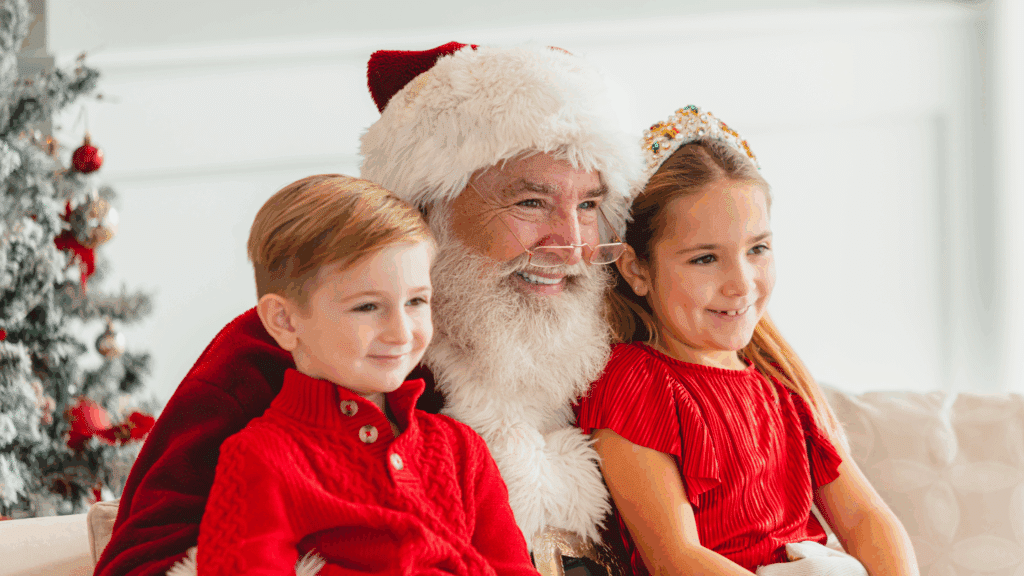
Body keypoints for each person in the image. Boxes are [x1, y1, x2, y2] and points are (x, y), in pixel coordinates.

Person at [95, 42, 642, 576]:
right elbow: (142, 561)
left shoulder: (613, 350)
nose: (572, 245)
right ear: (430, 207)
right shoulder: (282, 351)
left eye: (590, 204)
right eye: (531, 202)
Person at [576, 106, 920, 575]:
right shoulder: (637, 381)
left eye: (757, 249)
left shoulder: (781, 385)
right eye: (704, 259)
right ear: (637, 269)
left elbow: (866, 518)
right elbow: (677, 558)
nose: (741, 283)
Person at [181, 174, 537, 575]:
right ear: (284, 320)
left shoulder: (461, 450)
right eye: (368, 307)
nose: (401, 332)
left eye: (417, 301)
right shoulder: (262, 457)